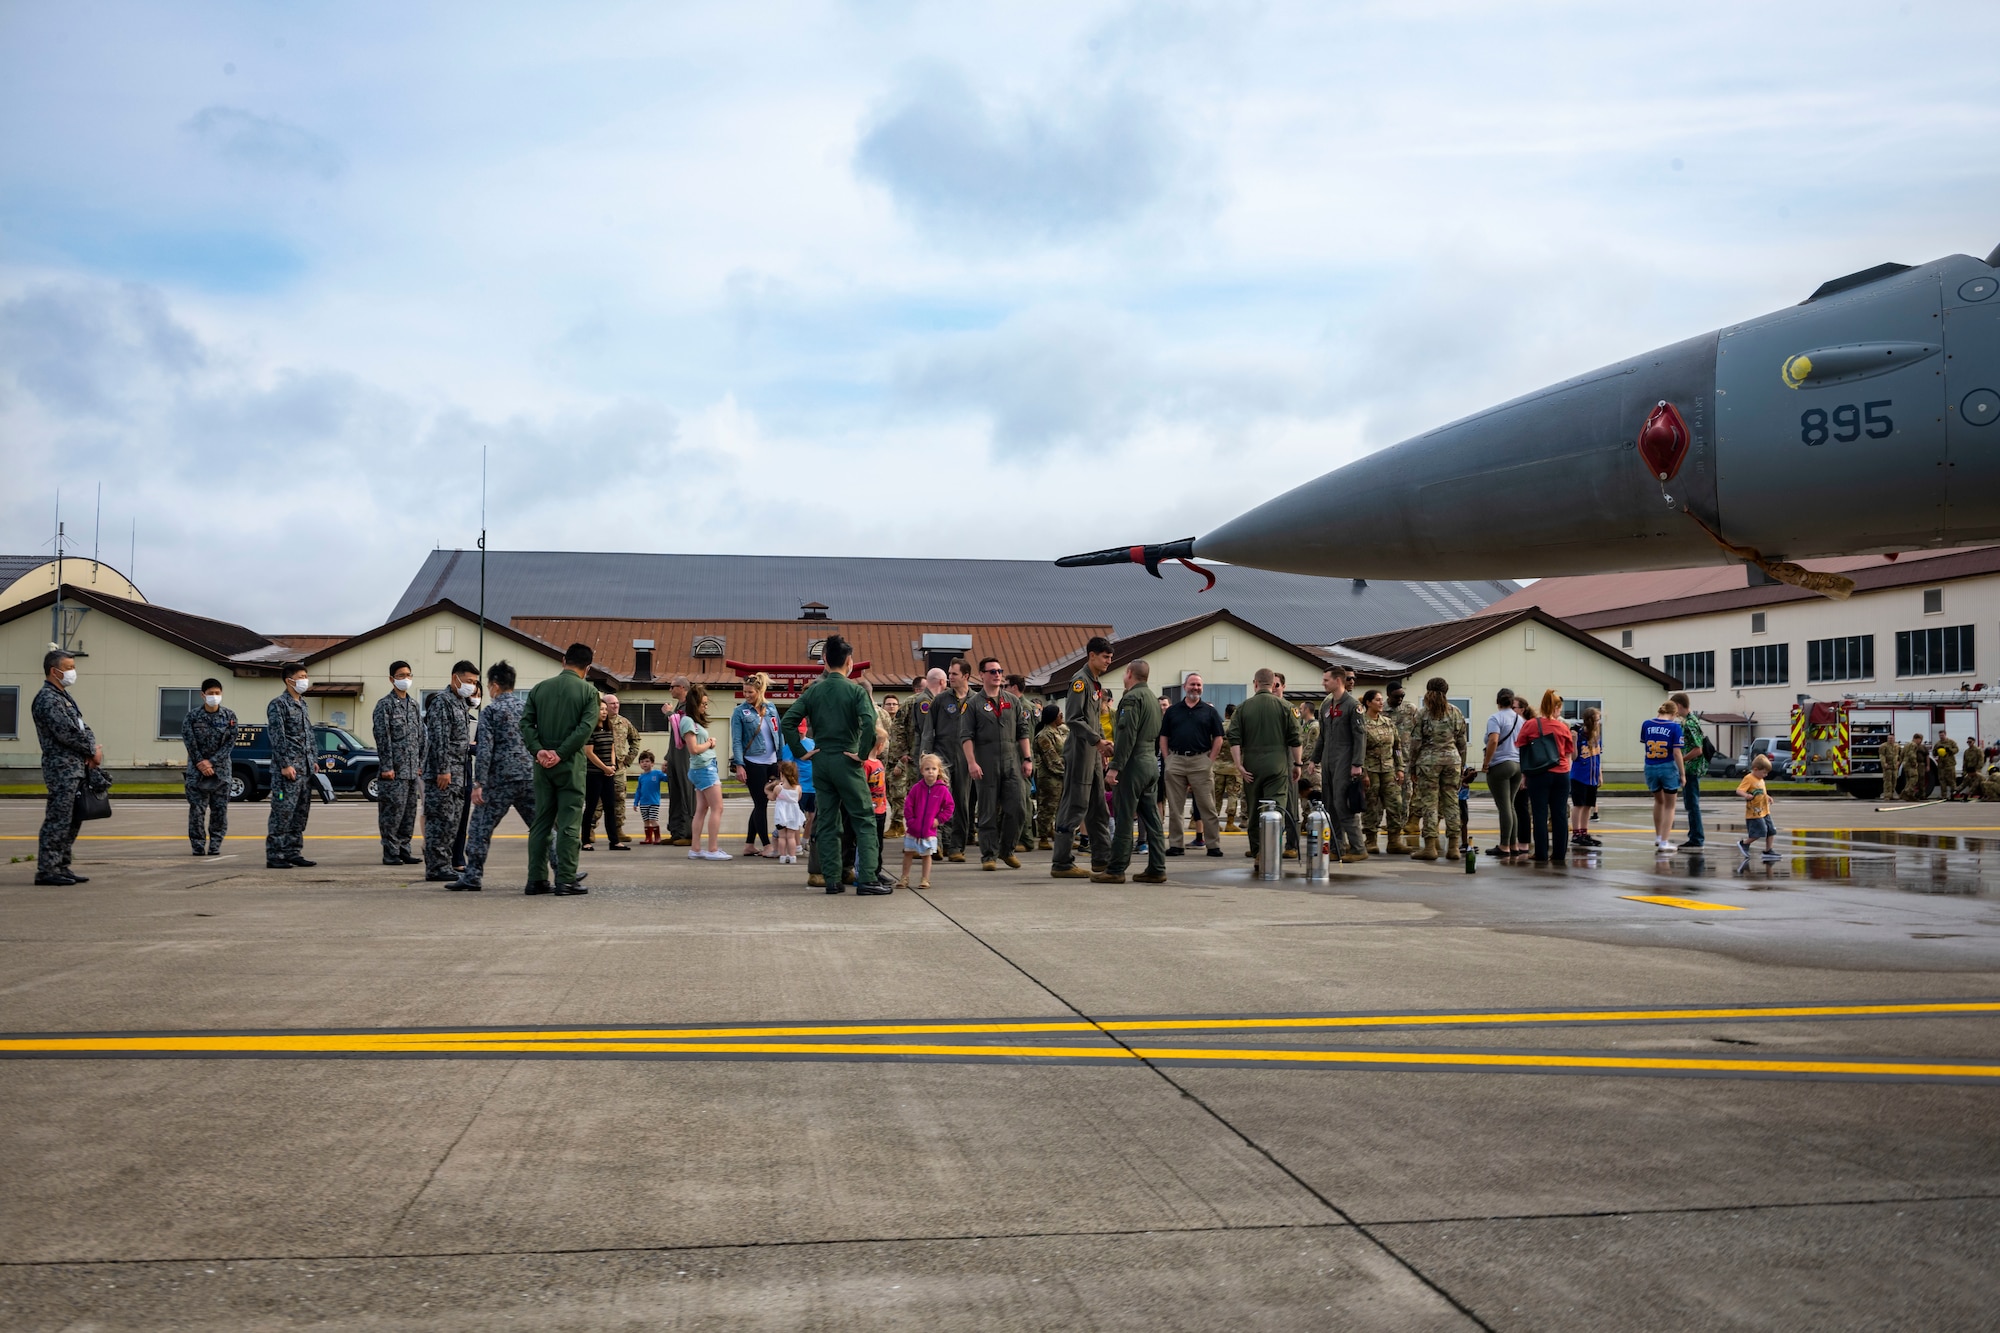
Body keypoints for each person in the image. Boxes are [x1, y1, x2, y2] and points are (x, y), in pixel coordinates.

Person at [782, 634, 892, 893]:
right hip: (847, 760)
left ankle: (831, 879)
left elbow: (789, 721)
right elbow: (868, 725)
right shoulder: (855, 691)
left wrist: (801, 751)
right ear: (849, 661)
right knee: (863, 819)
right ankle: (867, 878)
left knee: (828, 820)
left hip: (821, 761)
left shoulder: (814, 691)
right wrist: (863, 754)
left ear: (824, 660)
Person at [519, 642, 601, 895]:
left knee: (541, 822)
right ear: (587, 667)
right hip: (570, 765)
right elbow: (585, 729)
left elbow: (525, 723)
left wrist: (539, 750)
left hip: (542, 765)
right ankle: (565, 879)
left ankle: (536, 879)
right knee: (568, 823)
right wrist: (561, 753)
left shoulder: (540, 689)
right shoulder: (588, 692)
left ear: (564, 661)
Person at [453, 660, 535, 891]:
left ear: (495, 686)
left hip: (500, 780)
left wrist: (479, 783)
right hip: (528, 776)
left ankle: (472, 876)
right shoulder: (525, 708)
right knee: (542, 827)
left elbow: (485, 749)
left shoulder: (492, 711)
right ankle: (563, 869)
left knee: (480, 828)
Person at [31, 649, 100, 885]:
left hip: (76, 767)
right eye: (69, 667)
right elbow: (67, 733)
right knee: (58, 818)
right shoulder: (48, 699)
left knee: (72, 818)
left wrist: (92, 750)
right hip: (61, 768)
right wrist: (92, 752)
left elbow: (84, 728)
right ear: (54, 671)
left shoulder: (64, 697)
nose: (73, 672)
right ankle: (47, 869)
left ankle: (62, 865)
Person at [1051, 637, 1115, 879]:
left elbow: (1094, 719)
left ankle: (1102, 859)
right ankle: (1062, 862)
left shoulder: (1095, 683)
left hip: (1092, 754)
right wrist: (1097, 741)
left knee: (1099, 808)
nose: (1109, 661)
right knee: (1074, 806)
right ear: (1091, 656)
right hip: (1080, 752)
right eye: (1105, 657)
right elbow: (1075, 719)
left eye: (1110, 657)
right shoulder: (1080, 682)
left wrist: (1100, 749)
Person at [962, 656, 1033, 871]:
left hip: (1012, 762)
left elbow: (1023, 731)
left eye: (1000, 671)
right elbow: (966, 736)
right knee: (987, 812)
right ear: (982, 675)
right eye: (992, 671)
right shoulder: (973, 704)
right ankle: (988, 855)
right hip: (986, 762)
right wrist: (972, 763)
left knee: (1018, 809)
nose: (997, 675)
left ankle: (1007, 849)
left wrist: (1027, 758)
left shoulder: (1013, 701)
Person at [1100, 659, 1165, 884]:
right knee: (1152, 818)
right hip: (1149, 762)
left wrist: (1115, 767)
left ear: (1129, 673)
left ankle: (1116, 868)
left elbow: (1127, 735)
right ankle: (1157, 867)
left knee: (1125, 816)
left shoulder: (1131, 698)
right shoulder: (1153, 699)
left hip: (1133, 764)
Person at [1229, 668, 1302, 864]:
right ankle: (1270, 851)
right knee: (1275, 809)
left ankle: (1257, 851)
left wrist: (1239, 764)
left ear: (1255, 683)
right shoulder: (1286, 707)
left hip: (1251, 764)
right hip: (1277, 765)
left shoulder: (1243, 708)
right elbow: (1295, 739)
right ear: (1273, 684)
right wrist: (1297, 764)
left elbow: (1234, 738)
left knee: (1254, 809)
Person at [420, 659, 479, 880]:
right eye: (468, 681)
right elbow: (438, 739)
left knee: (452, 823)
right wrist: (443, 770)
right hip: (443, 774)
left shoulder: (461, 703)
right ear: (455, 678)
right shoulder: (442, 702)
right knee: (440, 821)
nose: (471, 686)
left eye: (474, 682)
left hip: (459, 773)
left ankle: (444, 864)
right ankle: (436, 868)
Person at [1159, 673, 1226, 858]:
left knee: (1207, 806)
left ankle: (1213, 845)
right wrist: (1168, 759)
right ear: (1184, 686)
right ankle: (1176, 845)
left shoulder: (1209, 711)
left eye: (1198, 685)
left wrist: (1209, 760)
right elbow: (1163, 736)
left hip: (1200, 761)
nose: (1195, 688)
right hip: (1176, 761)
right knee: (1175, 807)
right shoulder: (1172, 711)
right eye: (1192, 684)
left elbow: (1219, 737)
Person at [1310, 666, 1369, 863]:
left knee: (1342, 804)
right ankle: (1337, 847)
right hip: (1328, 759)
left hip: (1345, 760)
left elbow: (1360, 736)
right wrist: (1314, 759)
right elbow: (1322, 737)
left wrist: (1357, 763)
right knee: (1329, 806)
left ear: (1338, 680)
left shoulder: (1353, 706)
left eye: (1326, 680)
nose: (1323, 683)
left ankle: (1358, 848)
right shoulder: (1327, 706)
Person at [920, 659, 976, 863]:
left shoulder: (977, 701)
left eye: (954, 674)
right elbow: (928, 729)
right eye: (949, 674)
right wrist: (926, 755)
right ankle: (938, 845)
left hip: (965, 757)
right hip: (942, 755)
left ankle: (956, 847)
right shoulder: (941, 700)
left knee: (962, 802)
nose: (950, 677)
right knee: (940, 800)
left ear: (966, 676)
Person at [1406, 676, 1466, 861]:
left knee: (1430, 804)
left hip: (1429, 762)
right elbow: (1462, 742)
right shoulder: (1456, 712)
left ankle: (1430, 847)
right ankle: (1454, 847)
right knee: (1451, 803)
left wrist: (1412, 766)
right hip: (1452, 761)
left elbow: (1415, 743)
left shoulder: (1423, 713)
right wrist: (1461, 765)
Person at [264, 663, 317, 870]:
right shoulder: (278, 704)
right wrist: (285, 764)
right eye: (301, 676)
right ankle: (275, 854)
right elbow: (278, 737)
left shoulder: (303, 704)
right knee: (282, 813)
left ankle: (293, 852)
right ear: (289, 680)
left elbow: (308, 736)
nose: (305, 679)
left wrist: (313, 759)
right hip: (288, 772)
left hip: (305, 770)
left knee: (300, 814)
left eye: (306, 675)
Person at [371, 661, 423, 866]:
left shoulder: (413, 705)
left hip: (411, 771)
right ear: (392, 679)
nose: (406, 678)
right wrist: (387, 767)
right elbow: (383, 737)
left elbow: (420, 737)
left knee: (408, 813)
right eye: (401, 675)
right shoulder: (385, 705)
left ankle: (404, 849)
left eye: (408, 674)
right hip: (394, 771)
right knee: (391, 814)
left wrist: (420, 763)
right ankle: (390, 852)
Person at [1517, 690, 1576, 864]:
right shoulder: (1563, 727)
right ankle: (1559, 853)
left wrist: (1524, 775)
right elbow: (1568, 753)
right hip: (1562, 774)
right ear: (1557, 707)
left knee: (1539, 813)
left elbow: (1521, 746)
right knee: (1559, 814)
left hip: (1539, 773)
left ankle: (1541, 853)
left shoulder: (1530, 725)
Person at [181, 679, 235, 857]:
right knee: (197, 810)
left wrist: (211, 762)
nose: (214, 696)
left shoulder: (229, 717)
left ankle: (215, 845)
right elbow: (190, 742)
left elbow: (229, 744)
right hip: (197, 773)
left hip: (221, 772)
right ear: (202, 695)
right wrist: (200, 763)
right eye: (210, 693)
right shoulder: (192, 717)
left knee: (220, 811)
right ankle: (197, 846)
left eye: (217, 693)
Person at [731, 673, 783, 857]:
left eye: (750, 692)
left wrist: (781, 759)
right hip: (753, 762)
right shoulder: (739, 712)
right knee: (761, 803)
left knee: (760, 804)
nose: (746, 695)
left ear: (759, 691)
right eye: (744, 691)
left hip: (771, 762)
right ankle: (767, 845)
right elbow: (736, 741)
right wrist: (739, 764)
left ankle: (749, 845)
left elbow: (779, 734)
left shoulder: (771, 708)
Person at [584, 694, 639, 849]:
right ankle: (590, 831)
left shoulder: (624, 722)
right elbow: (589, 751)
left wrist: (627, 759)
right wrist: (605, 767)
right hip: (597, 769)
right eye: (611, 704)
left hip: (617, 769)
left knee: (618, 800)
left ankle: (617, 831)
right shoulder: (595, 725)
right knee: (595, 803)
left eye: (617, 703)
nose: (615, 706)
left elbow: (635, 740)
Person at [682, 685, 727, 859]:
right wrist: (710, 743)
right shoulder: (688, 721)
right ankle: (713, 849)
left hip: (702, 768)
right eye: (703, 703)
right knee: (718, 807)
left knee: (702, 809)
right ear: (695, 703)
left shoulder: (691, 721)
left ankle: (696, 848)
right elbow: (693, 748)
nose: (705, 707)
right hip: (704, 768)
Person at [1358, 689, 1405, 854]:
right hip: (1370, 770)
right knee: (1371, 805)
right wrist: (1362, 773)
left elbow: (1397, 747)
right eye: (1377, 700)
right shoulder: (1361, 723)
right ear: (1368, 702)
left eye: (1381, 700)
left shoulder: (1388, 722)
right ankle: (1370, 840)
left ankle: (1394, 840)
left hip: (1388, 769)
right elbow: (1359, 750)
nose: (1381, 702)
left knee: (1395, 803)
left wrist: (1400, 768)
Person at [899, 752, 955, 890]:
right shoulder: (917, 788)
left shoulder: (942, 790)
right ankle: (904, 877)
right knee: (908, 853)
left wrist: (939, 820)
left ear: (938, 771)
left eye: (934, 769)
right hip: (913, 829)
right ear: (922, 771)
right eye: (927, 769)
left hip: (929, 830)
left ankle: (925, 878)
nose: (930, 772)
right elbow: (908, 805)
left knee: (927, 855)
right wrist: (910, 820)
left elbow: (949, 807)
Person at [1481, 688, 1525, 859]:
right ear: (1512, 702)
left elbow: (1493, 740)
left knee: (1504, 806)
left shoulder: (1495, 718)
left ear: (1497, 701)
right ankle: (1513, 844)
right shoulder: (1520, 719)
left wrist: (1486, 763)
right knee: (1511, 805)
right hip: (1517, 764)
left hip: (1500, 764)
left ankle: (1504, 845)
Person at [1642, 701, 1686, 853]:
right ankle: (1664, 841)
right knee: (1670, 805)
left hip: (1650, 765)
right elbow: (1676, 752)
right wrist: (1682, 773)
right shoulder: (1674, 727)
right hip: (1667, 766)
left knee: (1658, 801)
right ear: (1674, 714)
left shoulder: (1646, 724)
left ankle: (1658, 836)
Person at [580, 697, 618, 852]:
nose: (604, 712)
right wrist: (604, 768)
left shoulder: (609, 728)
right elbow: (589, 753)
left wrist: (612, 765)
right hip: (594, 774)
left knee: (611, 807)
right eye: (600, 709)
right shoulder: (590, 730)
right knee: (591, 807)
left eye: (604, 709)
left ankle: (614, 841)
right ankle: (586, 841)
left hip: (609, 773)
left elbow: (612, 748)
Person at [1673, 693, 1708, 849]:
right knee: (1691, 803)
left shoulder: (1689, 724)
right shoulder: (1691, 720)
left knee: (1692, 804)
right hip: (1691, 768)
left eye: (1675, 708)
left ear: (1679, 705)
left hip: (1691, 769)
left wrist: (1682, 760)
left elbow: (1698, 749)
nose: (1675, 711)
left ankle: (1696, 838)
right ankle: (1695, 836)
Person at [663, 674, 694, 846]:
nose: (670, 689)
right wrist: (668, 757)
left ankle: (687, 833)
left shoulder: (690, 705)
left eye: (672, 686)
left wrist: (670, 714)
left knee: (685, 792)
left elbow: (683, 727)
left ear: (682, 688)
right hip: (675, 754)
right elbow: (674, 736)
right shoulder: (680, 705)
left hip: (685, 755)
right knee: (674, 793)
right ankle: (676, 832)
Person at [1032, 703, 1067, 851]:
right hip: (1049, 777)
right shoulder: (1044, 735)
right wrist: (1066, 772)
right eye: (1060, 715)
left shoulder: (1058, 731)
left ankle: (1056, 834)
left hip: (1060, 776)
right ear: (1053, 717)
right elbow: (1051, 759)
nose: (1062, 717)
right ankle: (1043, 838)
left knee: (1060, 808)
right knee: (1047, 807)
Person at [1389, 685, 1421, 846]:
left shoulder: (1410, 709)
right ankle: (1391, 821)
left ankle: (1403, 822)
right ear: (1389, 695)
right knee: (1388, 793)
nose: (1400, 699)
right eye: (1396, 696)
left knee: (1406, 792)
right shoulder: (1382, 710)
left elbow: (1418, 729)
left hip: (1407, 757)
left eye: (1402, 695)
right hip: (1387, 758)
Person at [1568, 707, 1603, 848]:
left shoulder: (1596, 737)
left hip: (1592, 776)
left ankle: (1584, 831)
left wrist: (1599, 774)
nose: (1598, 722)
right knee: (1579, 805)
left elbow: (1598, 756)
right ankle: (1576, 833)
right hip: (1579, 776)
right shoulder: (1580, 735)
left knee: (1588, 805)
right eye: (1597, 719)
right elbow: (1574, 757)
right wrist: (1573, 740)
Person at [1735, 753, 1779, 861]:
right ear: (1755, 769)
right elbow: (1739, 790)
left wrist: (1767, 797)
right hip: (1754, 812)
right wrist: (1746, 795)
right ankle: (1744, 843)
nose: (1765, 775)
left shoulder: (1760, 779)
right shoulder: (1749, 778)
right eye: (1764, 772)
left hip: (1765, 810)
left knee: (1771, 830)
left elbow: (1761, 792)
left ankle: (1768, 850)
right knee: (1760, 831)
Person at [879, 693, 909, 837]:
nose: (891, 706)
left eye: (894, 704)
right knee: (890, 795)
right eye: (888, 704)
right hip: (885, 764)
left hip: (899, 763)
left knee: (898, 795)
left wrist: (901, 764)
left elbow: (904, 746)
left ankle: (897, 824)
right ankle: (897, 825)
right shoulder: (882, 722)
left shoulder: (902, 722)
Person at [1212, 703, 1243, 832]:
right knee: (1233, 795)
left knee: (1215, 795)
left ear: (1225, 714)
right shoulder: (1239, 729)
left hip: (1217, 767)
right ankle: (1230, 822)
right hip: (1234, 768)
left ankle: (1214, 822)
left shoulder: (1218, 726)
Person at [769, 761, 806, 864]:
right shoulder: (798, 788)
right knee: (791, 836)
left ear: (782, 774)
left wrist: (768, 790)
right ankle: (792, 856)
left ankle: (783, 856)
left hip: (781, 815)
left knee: (782, 836)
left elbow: (772, 797)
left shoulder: (778, 788)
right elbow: (798, 799)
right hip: (793, 814)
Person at [632, 751, 665, 843]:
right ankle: (648, 838)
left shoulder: (657, 773)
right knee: (646, 821)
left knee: (653, 819)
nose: (644, 763)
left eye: (647, 761)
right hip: (643, 803)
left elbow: (666, 778)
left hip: (653, 802)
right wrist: (635, 803)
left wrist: (666, 770)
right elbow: (638, 791)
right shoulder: (641, 777)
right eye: (642, 762)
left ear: (652, 763)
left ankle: (657, 837)